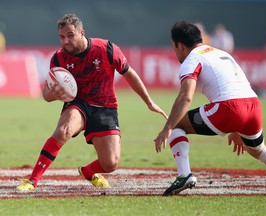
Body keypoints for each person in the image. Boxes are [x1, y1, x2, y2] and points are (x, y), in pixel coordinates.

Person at [16, 14, 167, 191]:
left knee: (110, 164)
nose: (65, 41)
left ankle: (87, 172)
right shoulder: (58, 59)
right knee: (62, 131)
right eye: (61, 37)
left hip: (105, 107)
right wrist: (54, 94)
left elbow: (129, 74)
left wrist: (149, 102)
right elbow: (46, 95)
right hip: (78, 104)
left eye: (70, 35)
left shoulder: (106, 49)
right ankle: (32, 180)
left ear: (82, 33)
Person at [154, 20, 266, 196]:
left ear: (179, 45)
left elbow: (185, 97)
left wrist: (167, 128)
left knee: (177, 124)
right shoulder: (220, 53)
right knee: (258, 150)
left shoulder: (191, 59)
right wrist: (237, 127)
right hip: (253, 106)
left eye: (173, 46)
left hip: (229, 108)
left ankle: (184, 175)